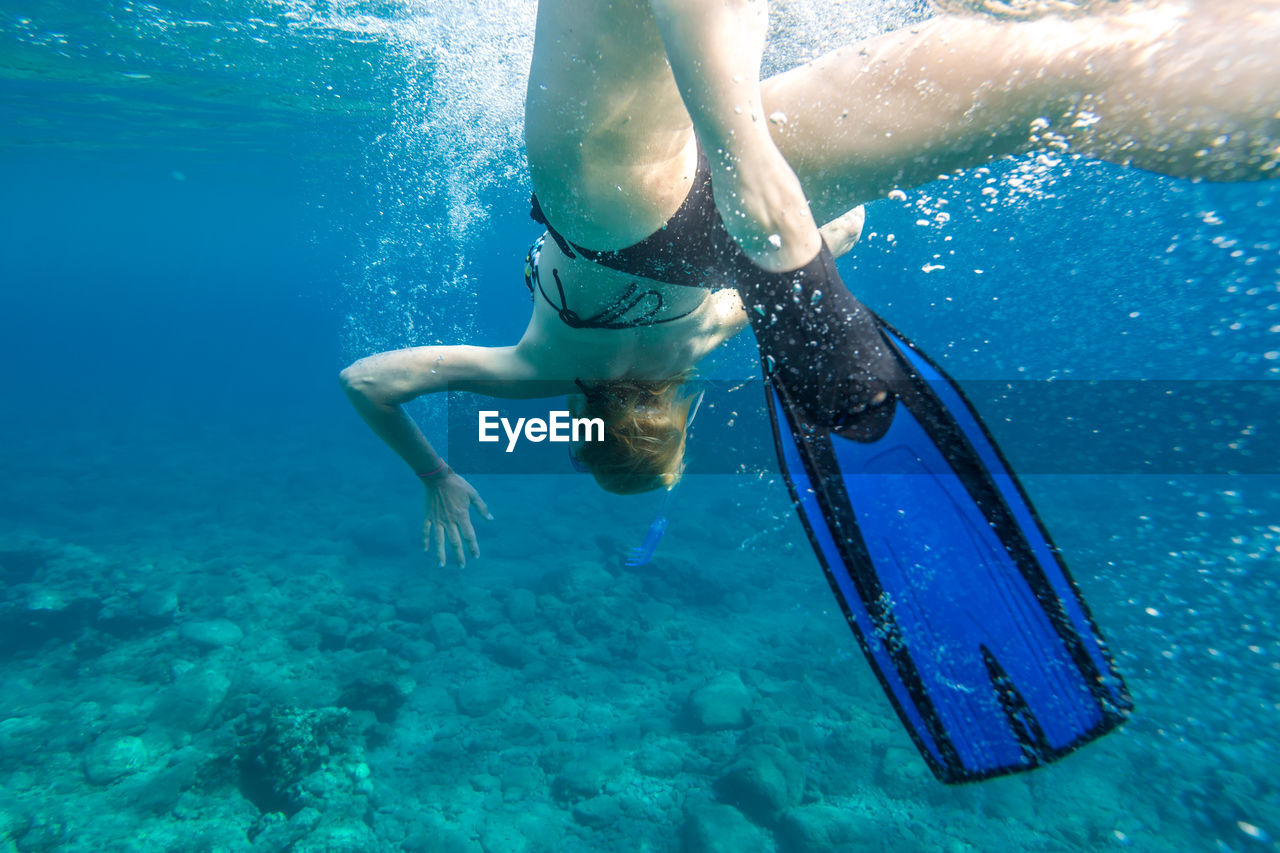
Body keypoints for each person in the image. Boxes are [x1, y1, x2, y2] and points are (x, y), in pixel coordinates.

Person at [342, 0, 1280, 569]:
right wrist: (438, 473)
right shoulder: (536, 372)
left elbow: (845, 230)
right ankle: (735, 124)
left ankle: (748, 146)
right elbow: (369, 381)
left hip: (717, 248)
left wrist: (822, 223)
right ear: (591, 432)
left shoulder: (706, 338)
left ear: (672, 416)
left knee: (1075, 78)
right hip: (605, 205)